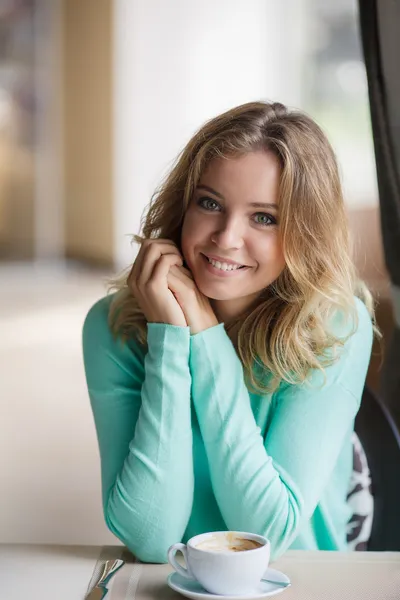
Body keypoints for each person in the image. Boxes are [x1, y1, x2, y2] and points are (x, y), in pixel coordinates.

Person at [82, 101, 378, 563]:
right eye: (210, 203)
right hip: (172, 585)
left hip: (305, 584)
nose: (225, 237)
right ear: (183, 205)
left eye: (264, 217)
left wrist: (204, 337)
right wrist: (170, 339)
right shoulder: (113, 327)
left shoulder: (337, 326)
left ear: (304, 232)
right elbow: (152, 538)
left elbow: (268, 535)